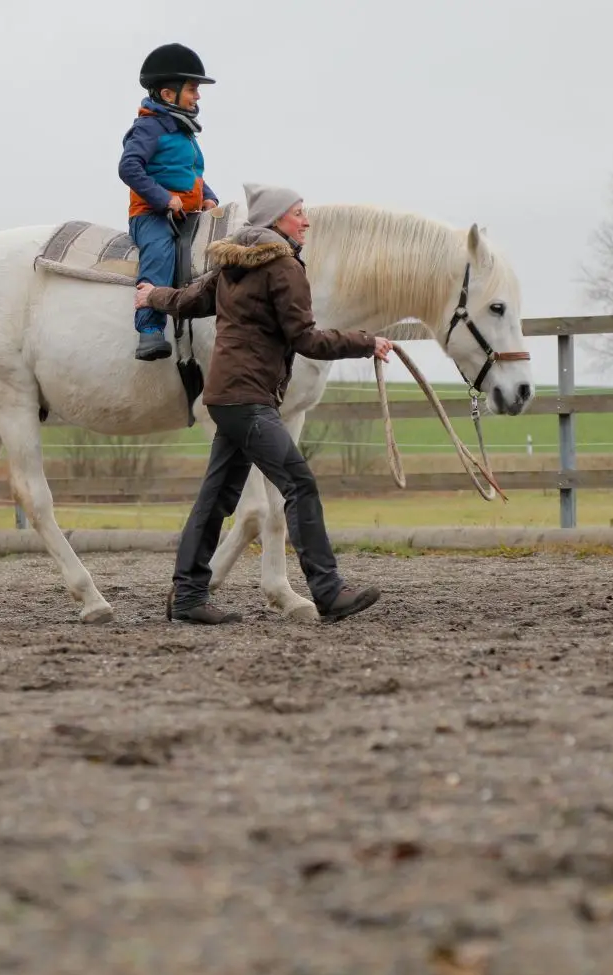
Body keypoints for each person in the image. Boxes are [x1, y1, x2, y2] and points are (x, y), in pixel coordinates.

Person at [136, 183, 393, 625]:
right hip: (249, 399)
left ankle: (188, 597)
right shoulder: (284, 267)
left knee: (216, 497)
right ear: (276, 220)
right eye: (297, 213)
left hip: (226, 397)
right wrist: (366, 342)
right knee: (300, 485)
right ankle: (329, 591)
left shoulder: (231, 265)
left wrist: (152, 296)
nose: (306, 220)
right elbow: (306, 338)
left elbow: (187, 300)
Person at [118, 43, 220, 362]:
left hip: (186, 213)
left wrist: (208, 197)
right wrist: (162, 199)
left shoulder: (182, 131)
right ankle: (149, 329)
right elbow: (129, 167)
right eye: (192, 89)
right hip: (151, 215)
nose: (198, 96)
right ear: (167, 94)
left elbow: (187, 174)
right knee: (160, 253)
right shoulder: (149, 126)